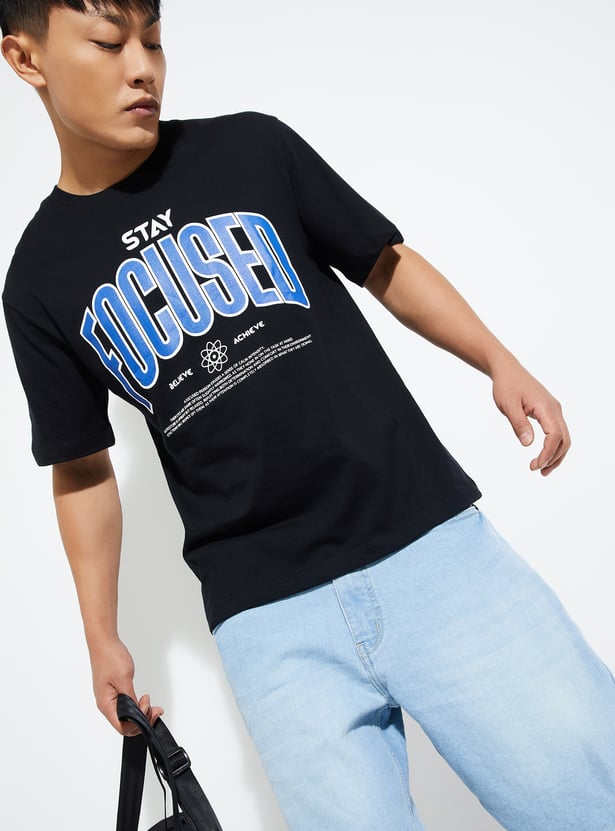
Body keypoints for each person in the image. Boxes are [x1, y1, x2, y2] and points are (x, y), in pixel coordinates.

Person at [1, 1, 614, 829]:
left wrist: (497, 359)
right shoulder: (37, 278)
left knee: (590, 799)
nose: (142, 66)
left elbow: (382, 262)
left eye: (154, 41)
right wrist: (99, 634)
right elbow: (80, 465)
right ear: (26, 59)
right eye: (109, 43)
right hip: (269, 622)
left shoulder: (250, 148)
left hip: (429, 548)